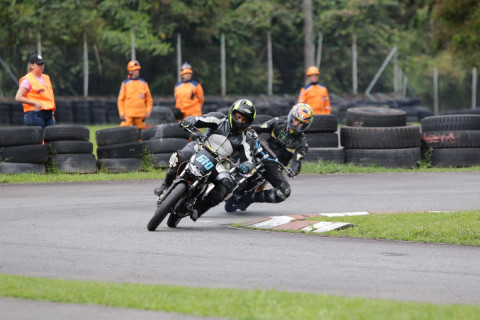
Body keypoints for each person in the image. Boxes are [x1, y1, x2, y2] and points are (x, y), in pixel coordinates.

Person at [153, 99, 256, 221]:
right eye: (238, 117)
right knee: (180, 156)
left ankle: (199, 209)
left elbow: (249, 160)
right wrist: (190, 120)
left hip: (217, 163)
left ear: (249, 123)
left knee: (228, 184)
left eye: (244, 120)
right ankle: (165, 185)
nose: (240, 121)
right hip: (199, 148)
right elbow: (200, 119)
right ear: (232, 113)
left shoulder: (246, 139)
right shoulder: (218, 118)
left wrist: (246, 166)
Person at [235, 103, 314, 211]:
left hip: (274, 166)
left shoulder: (302, 144)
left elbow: (297, 162)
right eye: (295, 119)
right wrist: (245, 128)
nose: (296, 123)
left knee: (285, 191)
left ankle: (251, 198)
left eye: (301, 123)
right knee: (241, 143)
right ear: (291, 116)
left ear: (305, 125)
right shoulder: (278, 122)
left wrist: (293, 170)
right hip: (259, 152)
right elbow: (259, 128)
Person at [15, 54, 56, 128]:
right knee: (38, 138)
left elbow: (49, 98)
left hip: (48, 114)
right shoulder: (27, 80)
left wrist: (52, 114)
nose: (42, 66)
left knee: (51, 138)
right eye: (39, 64)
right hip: (35, 114)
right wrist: (34, 103)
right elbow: (18, 97)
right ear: (32, 65)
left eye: (42, 64)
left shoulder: (46, 78)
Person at [117, 60, 153, 130]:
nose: (137, 71)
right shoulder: (125, 83)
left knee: (140, 134)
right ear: (130, 71)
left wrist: (148, 110)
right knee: (126, 131)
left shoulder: (143, 82)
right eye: (135, 70)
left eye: (138, 70)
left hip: (140, 114)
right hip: (128, 114)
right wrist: (121, 112)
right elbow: (120, 99)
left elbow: (149, 99)